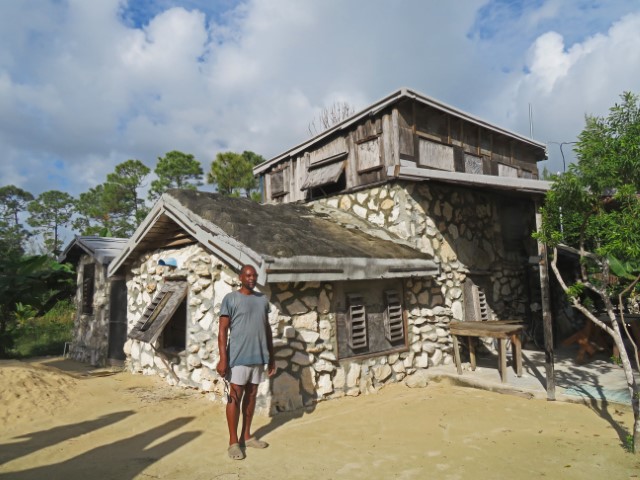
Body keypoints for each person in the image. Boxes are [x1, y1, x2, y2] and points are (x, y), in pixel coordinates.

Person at [216, 264, 276, 460]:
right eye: (248, 275)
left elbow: (267, 330)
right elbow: (223, 331)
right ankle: (233, 442)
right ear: (240, 277)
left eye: (254, 275)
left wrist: (271, 357)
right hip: (237, 358)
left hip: (258, 358)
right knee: (235, 397)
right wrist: (223, 359)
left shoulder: (262, 300)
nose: (252, 278)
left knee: (251, 398)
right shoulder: (231, 299)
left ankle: (247, 436)